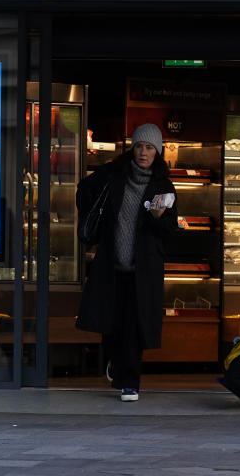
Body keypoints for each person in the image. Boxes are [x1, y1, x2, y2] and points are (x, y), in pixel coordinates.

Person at [75, 123, 177, 402]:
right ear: (132, 148)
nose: (143, 152)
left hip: (142, 271)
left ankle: (130, 383)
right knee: (110, 325)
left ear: (158, 152)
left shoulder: (163, 186)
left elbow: (170, 229)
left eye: (149, 147)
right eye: (139, 146)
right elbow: (84, 189)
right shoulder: (114, 175)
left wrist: (158, 218)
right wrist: (95, 218)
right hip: (110, 265)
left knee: (133, 326)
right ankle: (115, 361)